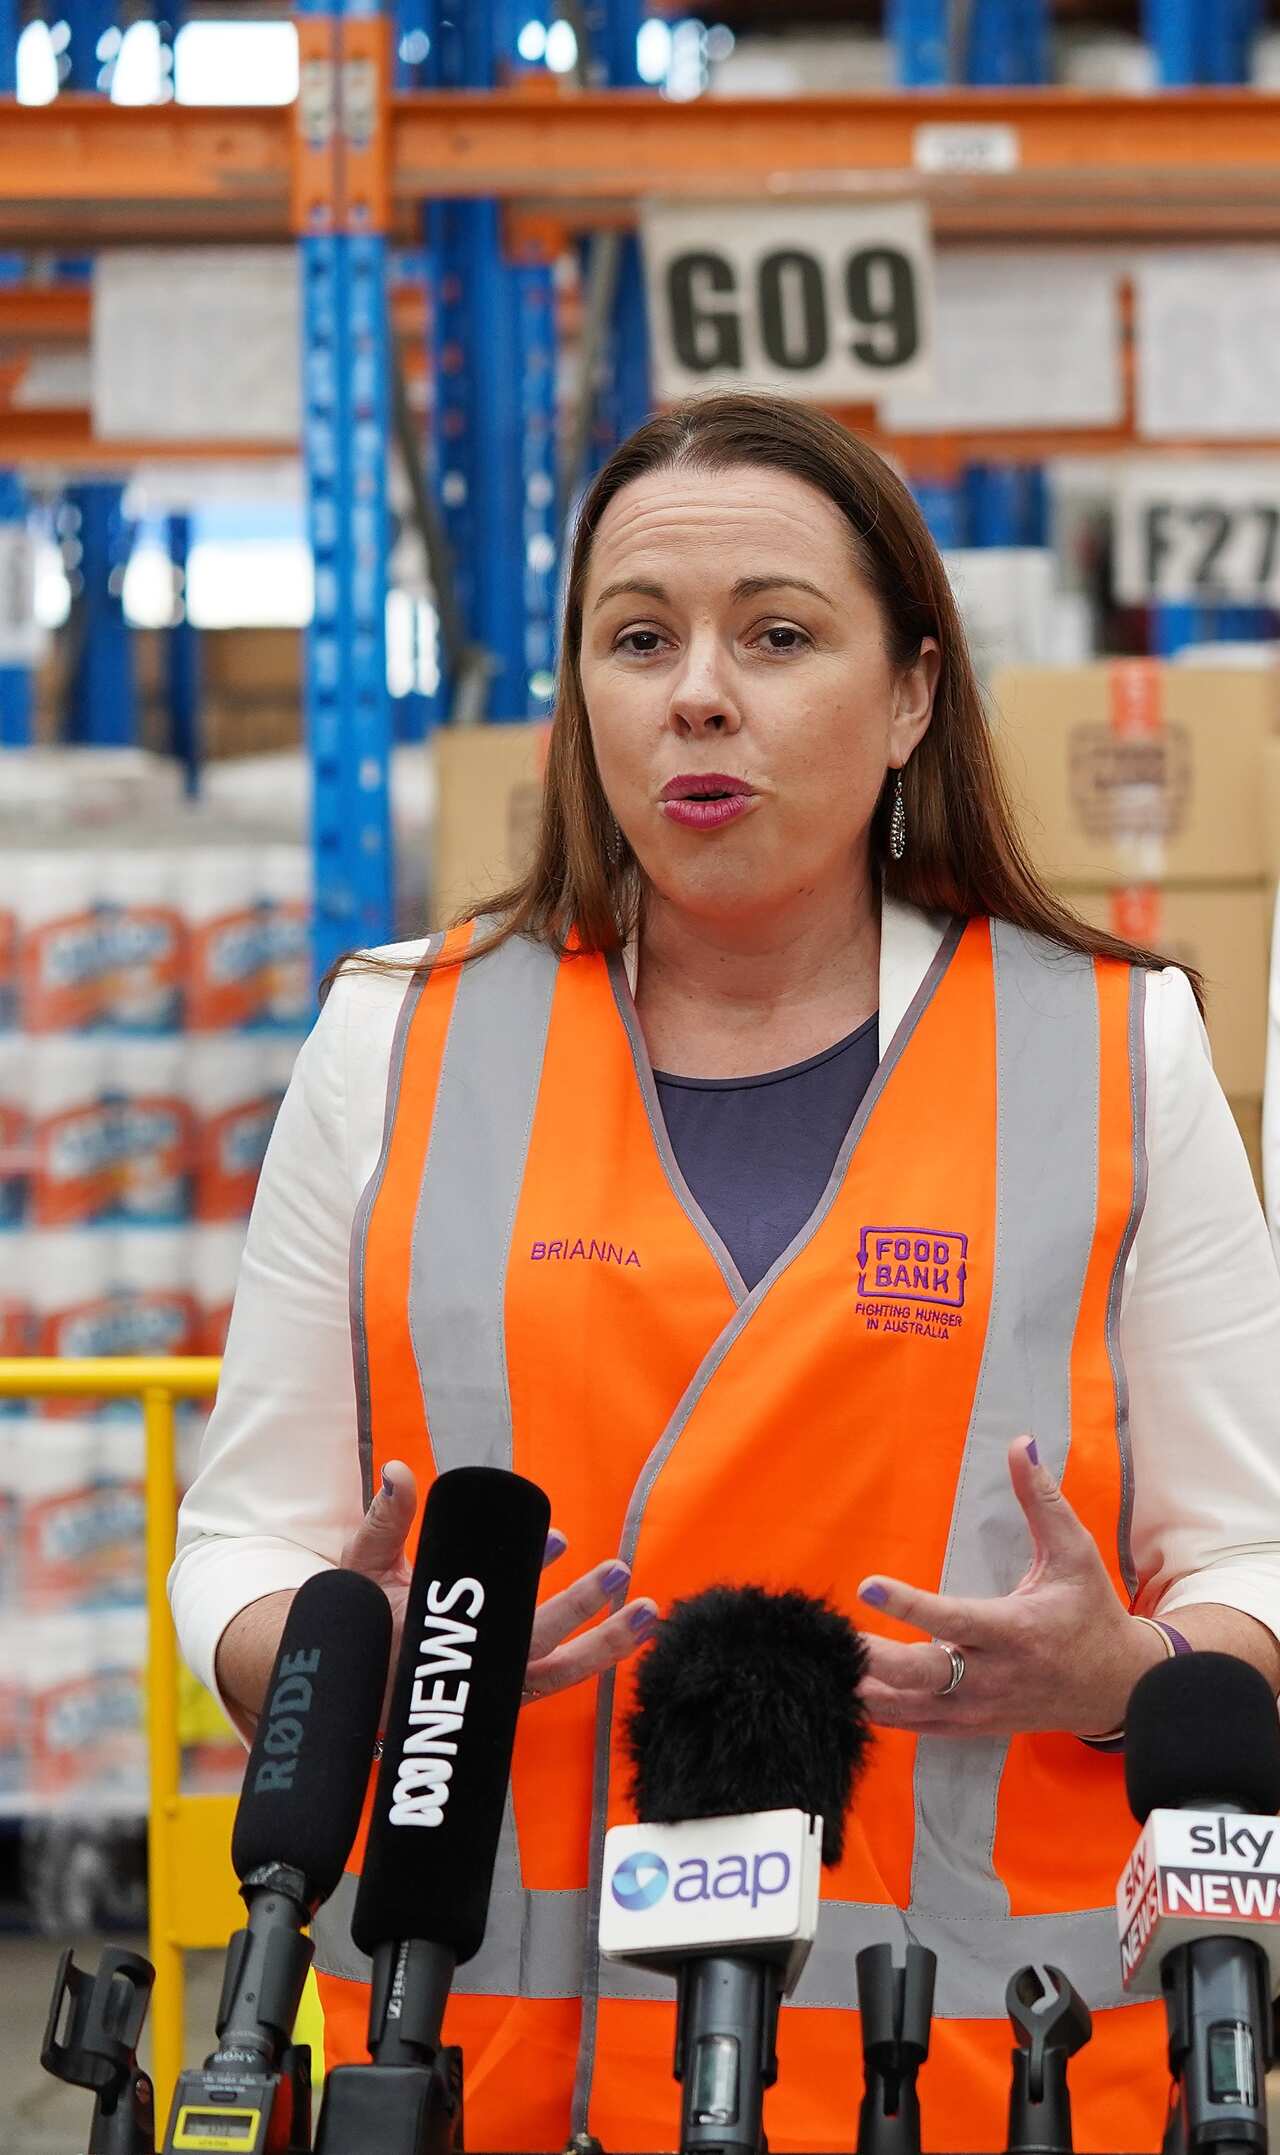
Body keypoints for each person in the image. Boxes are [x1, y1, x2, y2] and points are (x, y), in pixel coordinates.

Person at [171, 390, 1280, 2155]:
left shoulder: (1110, 1049)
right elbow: (247, 1538)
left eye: (776, 635)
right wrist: (323, 1657)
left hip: (999, 2082)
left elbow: (1252, 1551)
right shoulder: (399, 1041)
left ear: (911, 691)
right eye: (638, 638)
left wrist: (1126, 1665)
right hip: (477, 2076)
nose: (698, 690)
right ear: (579, 698)